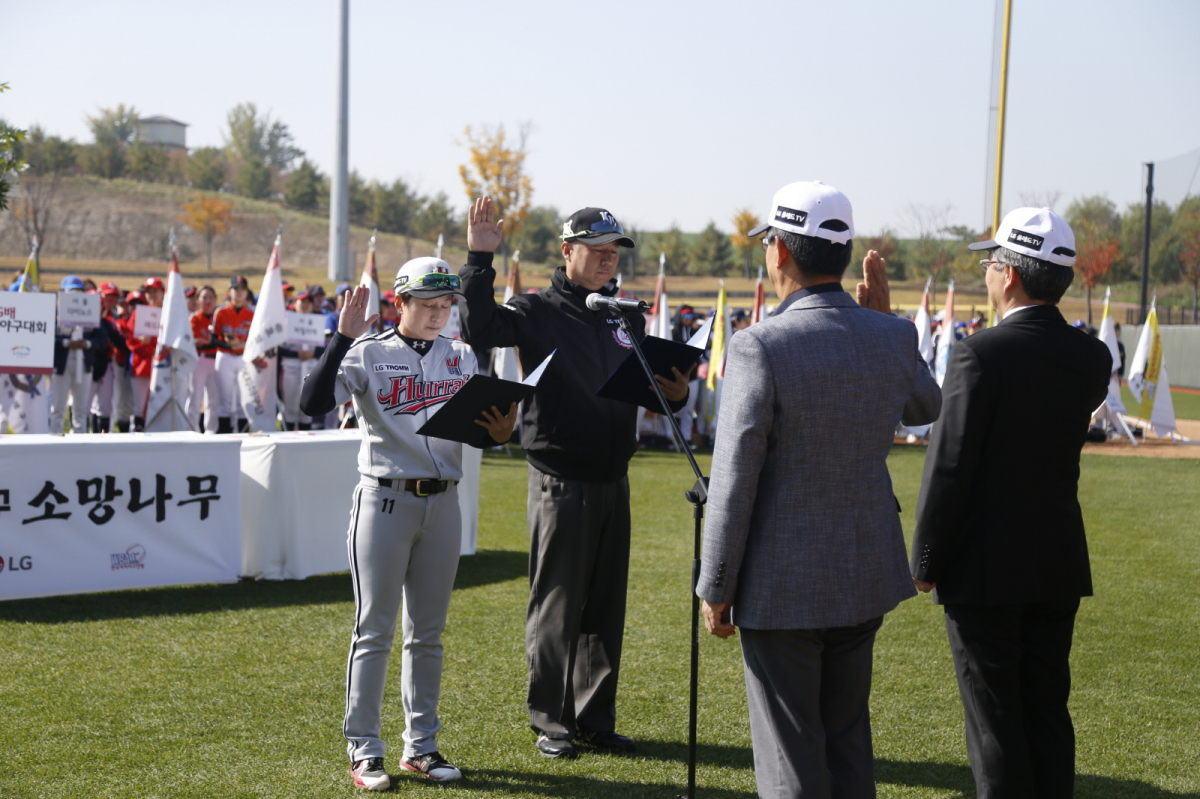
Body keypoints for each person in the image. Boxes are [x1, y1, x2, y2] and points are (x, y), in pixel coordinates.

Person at [695, 181, 941, 799]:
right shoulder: (892, 336)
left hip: (782, 584)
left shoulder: (760, 345)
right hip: (863, 570)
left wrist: (715, 586)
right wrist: (887, 322)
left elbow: (733, 481)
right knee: (847, 743)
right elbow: (925, 406)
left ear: (779, 250)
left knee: (791, 759)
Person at [458, 198, 692, 758]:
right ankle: (551, 721)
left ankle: (595, 719)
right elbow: (478, 328)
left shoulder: (625, 316)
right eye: (597, 250)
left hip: (615, 477)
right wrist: (480, 259)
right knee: (557, 606)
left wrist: (678, 393)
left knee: (605, 608)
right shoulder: (536, 309)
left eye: (615, 252)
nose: (608, 259)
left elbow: (648, 390)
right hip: (560, 478)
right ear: (567, 251)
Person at [911, 207, 1112, 799]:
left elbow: (950, 466)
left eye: (990, 263)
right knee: (1046, 711)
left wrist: (925, 559)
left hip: (984, 569)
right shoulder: (1092, 356)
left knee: (995, 720)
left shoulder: (979, 354)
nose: (987, 274)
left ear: (1011, 274)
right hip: (1056, 559)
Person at [299, 267, 518, 791]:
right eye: (427, 303)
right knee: (374, 629)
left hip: (444, 503)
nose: (439, 313)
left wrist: (500, 432)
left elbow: (479, 430)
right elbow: (310, 404)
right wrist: (341, 337)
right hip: (385, 500)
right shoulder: (368, 351)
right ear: (400, 302)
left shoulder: (461, 355)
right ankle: (364, 750)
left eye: (446, 304)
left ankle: (420, 747)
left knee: (428, 633)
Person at [49, 276, 107, 434]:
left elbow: (101, 339)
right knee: (58, 407)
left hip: (84, 364)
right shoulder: (54, 315)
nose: (75, 295)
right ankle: (55, 437)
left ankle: (80, 439)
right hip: (61, 364)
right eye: (71, 291)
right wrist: (66, 343)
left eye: (79, 291)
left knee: (81, 409)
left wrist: (86, 344)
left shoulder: (89, 312)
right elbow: (48, 338)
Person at [211, 276, 255, 433]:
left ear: (247, 292)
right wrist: (230, 344)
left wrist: (242, 345)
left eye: (242, 289)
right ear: (230, 291)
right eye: (236, 289)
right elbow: (213, 338)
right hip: (225, 357)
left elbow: (257, 339)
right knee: (225, 401)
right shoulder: (221, 312)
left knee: (244, 400)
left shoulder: (252, 313)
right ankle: (224, 435)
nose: (239, 292)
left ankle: (243, 436)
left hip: (244, 358)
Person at [124, 277, 165, 431]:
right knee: (139, 406)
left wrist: (153, 343)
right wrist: (149, 348)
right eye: (148, 292)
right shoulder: (139, 314)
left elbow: (173, 339)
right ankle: (138, 436)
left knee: (160, 405)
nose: (151, 295)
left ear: (163, 292)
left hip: (163, 366)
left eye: (155, 291)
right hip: (141, 365)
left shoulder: (169, 314)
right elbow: (131, 340)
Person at [279, 290, 323, 430]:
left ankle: (305, 440)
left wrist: (313, 353)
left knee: (307, 410)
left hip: (311, 369)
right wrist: (296, 354)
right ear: (295, 303)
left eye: (308, 302)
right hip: (291, 368)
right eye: (302, 301)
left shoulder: (318, 322)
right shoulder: (286, 322)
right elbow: (278, 349)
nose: (305, 304)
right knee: (290, 409)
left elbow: (325, 348)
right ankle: (287, 438)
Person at [87, 281, 122, 433]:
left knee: (105, 405)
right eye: (107, 296)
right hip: (87, 365)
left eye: (113, 296)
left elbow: (119, 341)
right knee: (83, 406)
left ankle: (102, 437)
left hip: (105, 365)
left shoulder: (108, 320)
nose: (110, 300)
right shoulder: (81, 321)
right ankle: (79, 436)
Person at [187, 285, 220, 433]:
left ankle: (211, 432)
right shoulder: (194, 318)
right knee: (195, 398)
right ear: (198, 300)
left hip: (216, 361)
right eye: (204, 297)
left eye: (211, 297)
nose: (207, 301)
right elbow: (195, 341)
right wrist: (212, 341)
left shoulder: (218, 317)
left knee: (213, 400)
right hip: (199, 360)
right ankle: (192, 431)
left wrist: (209, 341)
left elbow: (218, 340)